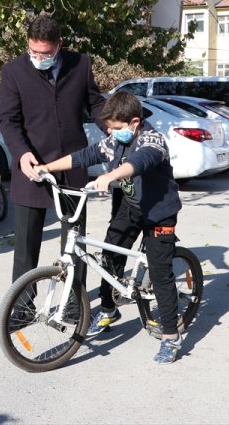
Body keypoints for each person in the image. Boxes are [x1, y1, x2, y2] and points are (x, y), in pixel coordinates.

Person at [36, 91, 185, 365]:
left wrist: (111, 175)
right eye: (109, 128)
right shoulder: (115, 141)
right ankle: (108, 310)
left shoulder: (152, 140)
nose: (111, 133)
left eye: (116, 128)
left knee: (160, 273)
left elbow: (141, 161)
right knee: (110, 254)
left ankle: (171, 336)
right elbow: (85, 155)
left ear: (135, 122)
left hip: (159, 212)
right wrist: (47, 167)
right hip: (132, 205)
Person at [0, 14, 106, 289]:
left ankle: (75, 303)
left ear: (59, 44)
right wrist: (21, 153)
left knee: (75, 245)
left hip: (71, 168)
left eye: (45, 53)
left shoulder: (81, 64)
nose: (38, 57)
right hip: (32, 170)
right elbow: (8, 120)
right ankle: (22, 306)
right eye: (33, 51)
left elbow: (95, 104)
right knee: (25, 248)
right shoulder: (13, 72)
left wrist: (115, 129)